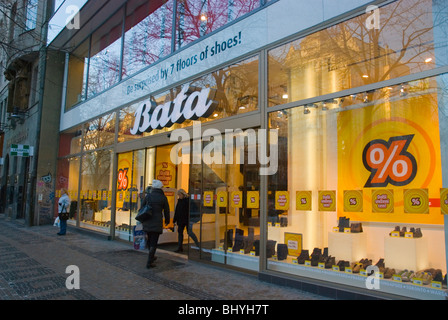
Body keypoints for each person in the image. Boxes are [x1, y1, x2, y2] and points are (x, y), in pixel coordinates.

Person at [141, 180, 170, 268]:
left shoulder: (148, 196)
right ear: (160, 188)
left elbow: (142, 208)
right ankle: (149, 262)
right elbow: (166, 210)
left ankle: (151, 257)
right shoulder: (163, 197)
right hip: (157, 222)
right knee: (154, 241)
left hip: (148, 221)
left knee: (149, 240)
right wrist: (167, 221)